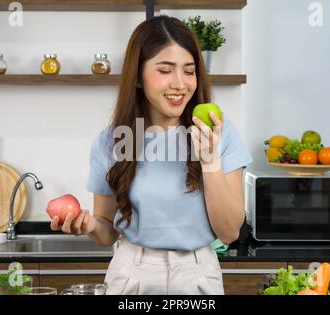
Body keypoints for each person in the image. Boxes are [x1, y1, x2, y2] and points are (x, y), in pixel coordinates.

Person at [50, 15, 252, 295]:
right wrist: (88, 225)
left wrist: (210, 161)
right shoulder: (112, 142)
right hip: (131, 274)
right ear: (138, 77)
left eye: (189, 70)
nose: (180, 84)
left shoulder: (220, 133)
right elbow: (108, 231)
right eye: (165, 70)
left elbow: (229, 233)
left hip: (198, 275)